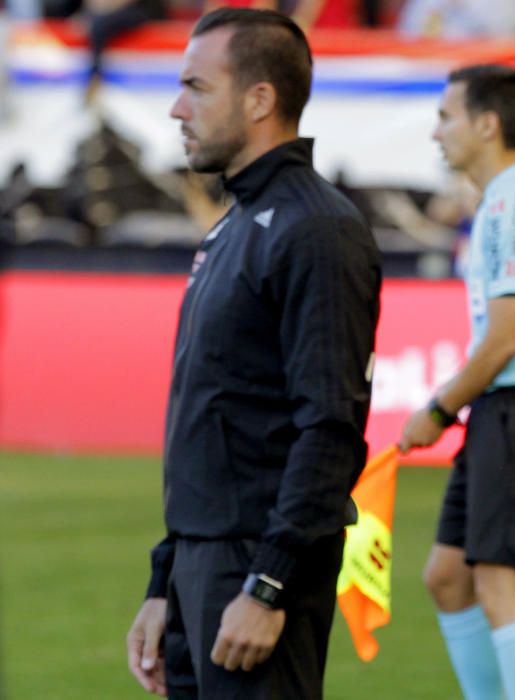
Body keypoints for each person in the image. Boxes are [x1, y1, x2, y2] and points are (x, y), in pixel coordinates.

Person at [125, 8, 381, 699]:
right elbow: (210, 420)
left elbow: (329, 426)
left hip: (257, 574)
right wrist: (164, 579)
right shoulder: (232, 228)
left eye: (197, 88)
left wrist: (269, 584)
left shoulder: (317, 229)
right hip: (200, 572)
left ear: (260, 98)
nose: (178, 108)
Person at [398, 64, 515, 700]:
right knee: (448, 576)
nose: (436, 133)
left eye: (446, 117)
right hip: (504, 409)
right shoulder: (504, 201)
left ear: (486, 124)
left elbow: (504, 339)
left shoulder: (510, 205)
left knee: (502, 585)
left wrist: (438, 409)